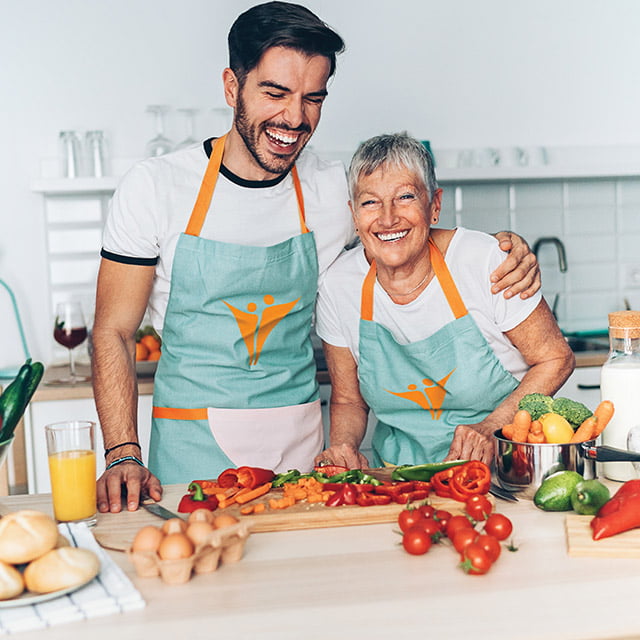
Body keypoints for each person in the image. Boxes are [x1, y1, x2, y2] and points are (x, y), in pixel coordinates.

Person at [92, 2, 541, 514]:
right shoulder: (156, 187)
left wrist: (502, 248)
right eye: (275, 93)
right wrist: (122, 452)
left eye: (313, 99)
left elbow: (404, 237)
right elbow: (113, 331)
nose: (294, 118)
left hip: (306, 453)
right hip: (190, 447)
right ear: (231, 87)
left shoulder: (331, 191)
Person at [314, 133, 575, 468]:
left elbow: (556, 359)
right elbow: (349, 399)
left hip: (503, 472)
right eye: (370, 202)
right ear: (354, 214)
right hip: (400, 480)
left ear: (434, 205)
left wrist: (492, 427)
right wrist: (344, 448)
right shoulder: (338, 286)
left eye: (405, 196)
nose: (388, 217)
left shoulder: (484, 262)